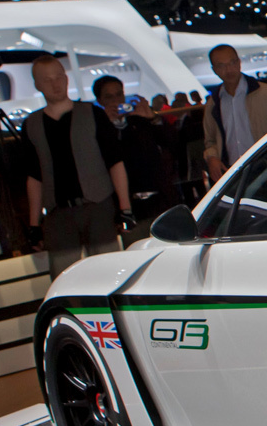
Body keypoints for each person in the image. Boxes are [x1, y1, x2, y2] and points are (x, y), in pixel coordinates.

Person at [22, 54, 133, 278]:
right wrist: (34, 224)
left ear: (66, 78)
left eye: (59, 77)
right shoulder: (32, 124)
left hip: (98, 204)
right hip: (58, 212)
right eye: (47, 80)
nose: (55, 84)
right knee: (64, 277)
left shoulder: (92, 114)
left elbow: (115, 162)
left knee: (109, 273)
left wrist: (125, 208)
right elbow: (34, 176)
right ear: (37, 85)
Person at [92, 75, 179, 232]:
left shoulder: (139, 121)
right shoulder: (99, 129)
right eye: (109, 97)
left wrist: (152, 118)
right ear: (100, 101)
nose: (116, 101)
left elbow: (172, 142)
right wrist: (108, 125)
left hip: (160, 198)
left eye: (119, 94)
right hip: (128, 204)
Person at [201, 43, 267, 183]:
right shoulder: (214, 103)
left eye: (232, 62)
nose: (229, 69)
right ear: (214, 70)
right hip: (233, 172)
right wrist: (212, 157)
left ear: (239, 62)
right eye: (221, 66)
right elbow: (210, 140)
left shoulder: (265, 93)